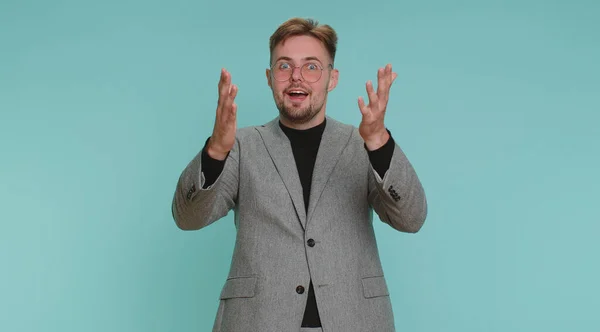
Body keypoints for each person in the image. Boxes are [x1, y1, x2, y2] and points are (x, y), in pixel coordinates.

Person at [171, 17, 427, 332]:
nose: (296, 78)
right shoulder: (240, 145)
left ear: (332, 78)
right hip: (258, 321)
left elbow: (411, 218)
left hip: (354, 320)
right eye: (284, 66)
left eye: (311, 66)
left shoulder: (363, 144)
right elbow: (188, 218)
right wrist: (215, 152)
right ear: (269, 77)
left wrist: (380, 144)